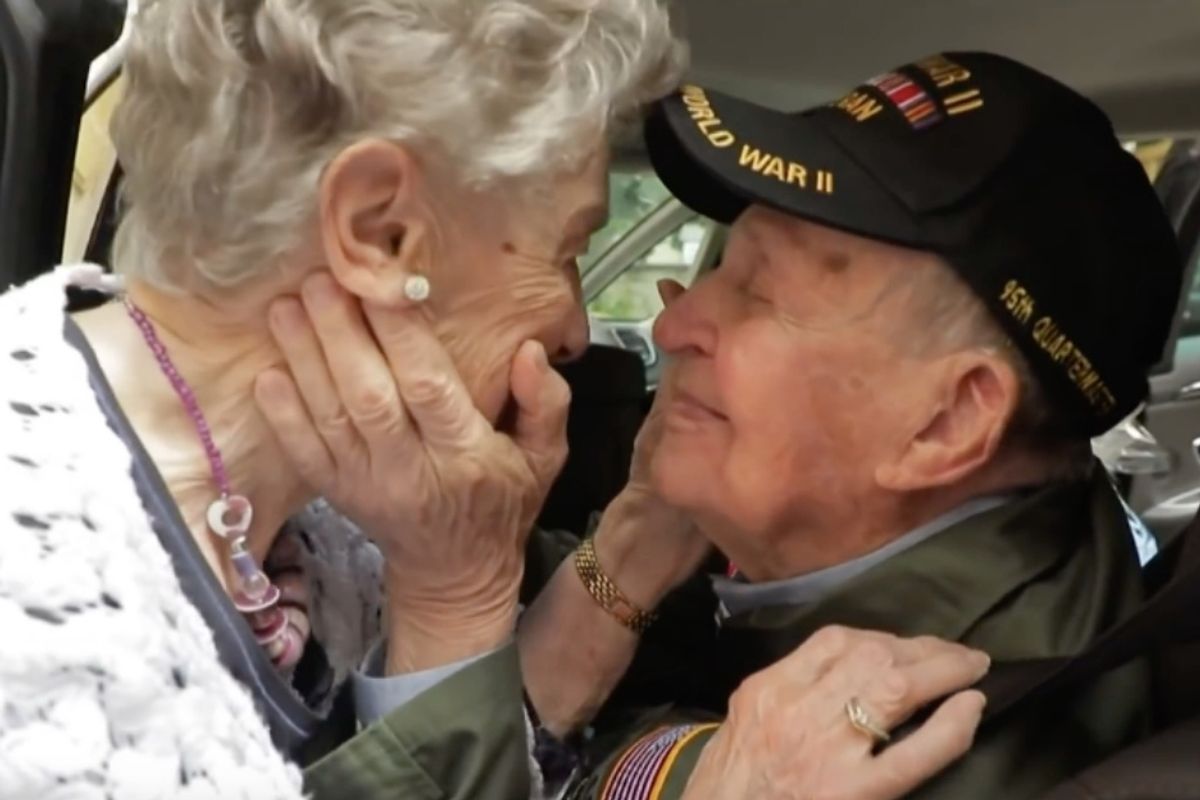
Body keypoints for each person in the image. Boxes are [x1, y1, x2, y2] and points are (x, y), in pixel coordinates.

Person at [0, 1, 990, 798]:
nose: (573, 326)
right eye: (565, 249)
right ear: (381, 233)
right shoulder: (43, 638)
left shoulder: (328, 520)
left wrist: (483, 583)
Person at [264, 52, 1183, 799]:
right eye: (718, 268)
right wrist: (612, 566)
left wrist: (456, 607)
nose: (672, 325)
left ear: (945, 422)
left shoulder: (920, 747)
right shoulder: (787, 550)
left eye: (760, 291)